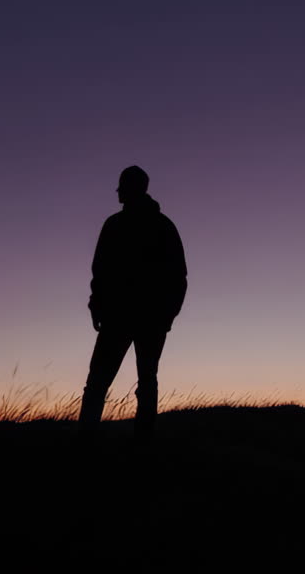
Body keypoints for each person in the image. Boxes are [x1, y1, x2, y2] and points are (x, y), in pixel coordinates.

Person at [79, 165, 187, 437]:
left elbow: (100, 271)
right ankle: (142, 442)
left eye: (122, 186)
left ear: (131, 189)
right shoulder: (162, 226)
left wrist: (168, 315)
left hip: (124, 316)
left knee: (101, 382)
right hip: (143, 317)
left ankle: (87, 441)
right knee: (143, 380)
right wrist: (167, 316)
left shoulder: (117, 225)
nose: (118, 192)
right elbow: (178, 277)